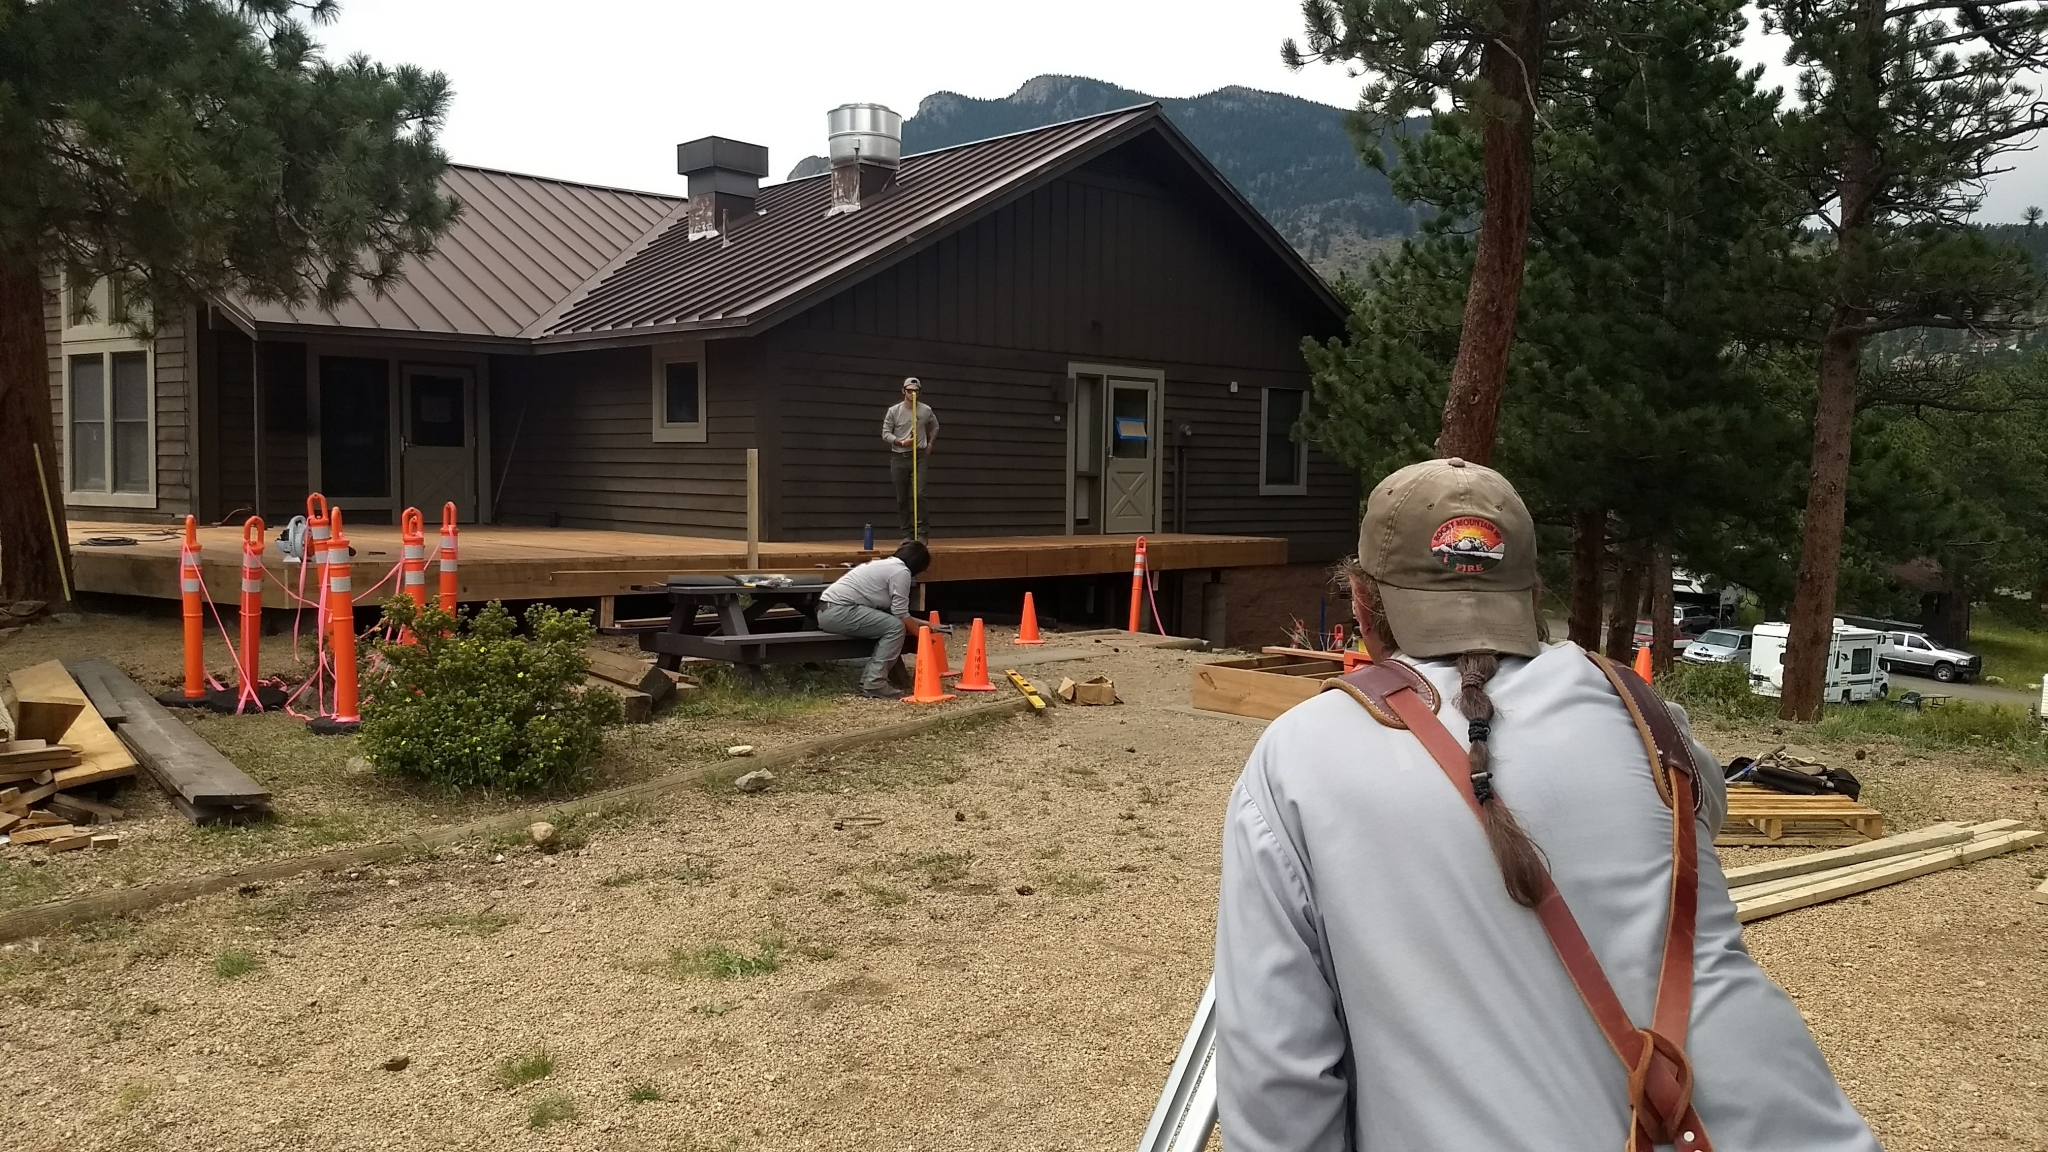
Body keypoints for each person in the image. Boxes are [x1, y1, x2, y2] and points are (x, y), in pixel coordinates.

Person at [1214, 457, 1877, 1152]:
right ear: (1531, 594)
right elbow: (1704, 812)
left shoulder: (1301, 756)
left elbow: (1278, 1074)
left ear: (1358, 600)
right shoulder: (1643, 710)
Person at [818, 540, 930, 699]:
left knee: (893, 624)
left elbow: (895, 611)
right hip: (840, 610)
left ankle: (870, 681)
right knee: (895, 627)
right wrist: (924, 638)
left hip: (829, 610)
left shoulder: (886, 565)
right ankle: (875, 683)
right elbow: (900, 614)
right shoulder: (901, 572)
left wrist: (925, 624)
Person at [881, 376, 939, 541]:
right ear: (903, 391)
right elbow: (885, 433)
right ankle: (907, 534)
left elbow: (935, 426)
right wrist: (900, 441)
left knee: (920, 493)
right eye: (909, 391)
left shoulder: (925, 410)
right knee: (902, 497)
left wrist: (930, 443)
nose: (913, 394)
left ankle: (922, 533)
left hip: (919, 455)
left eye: (916, 391)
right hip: (900, 456)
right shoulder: (894, 411)